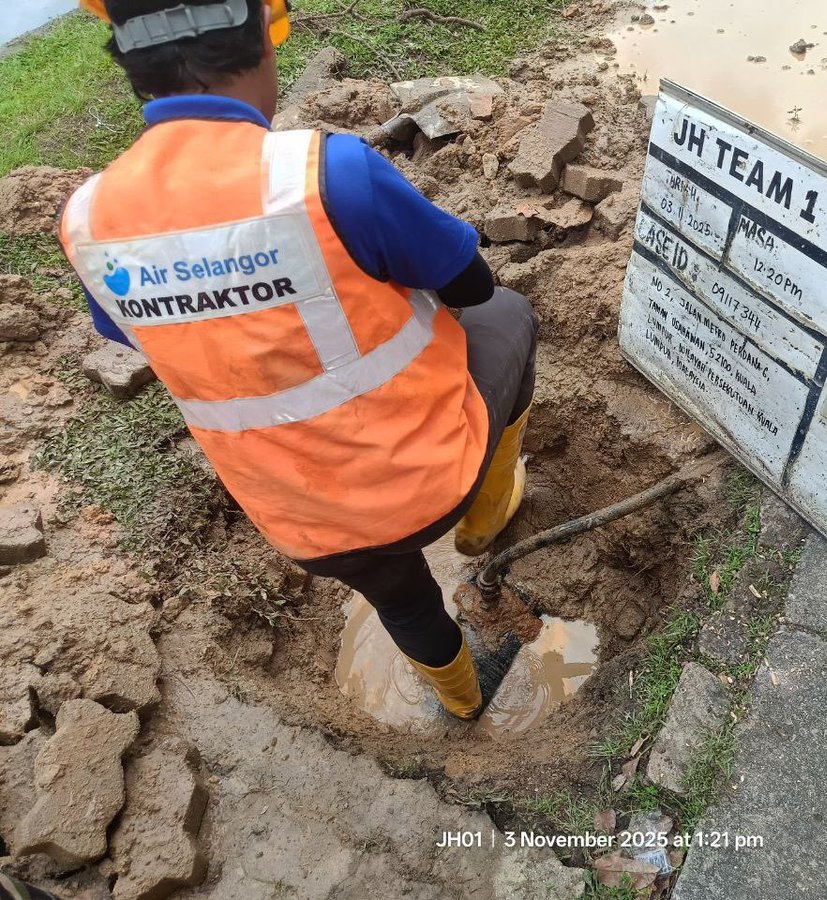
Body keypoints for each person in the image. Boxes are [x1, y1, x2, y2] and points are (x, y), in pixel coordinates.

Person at [64, 0, 539, 720]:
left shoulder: (89, 219)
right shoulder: (324, 172)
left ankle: (462, 702)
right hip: (424, 479)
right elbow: (473, 285)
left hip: (298, 517)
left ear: (132, 68)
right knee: (510, 318)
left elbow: (143, 335)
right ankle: (483, 520)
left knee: (402, 600)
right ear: (261, 41)